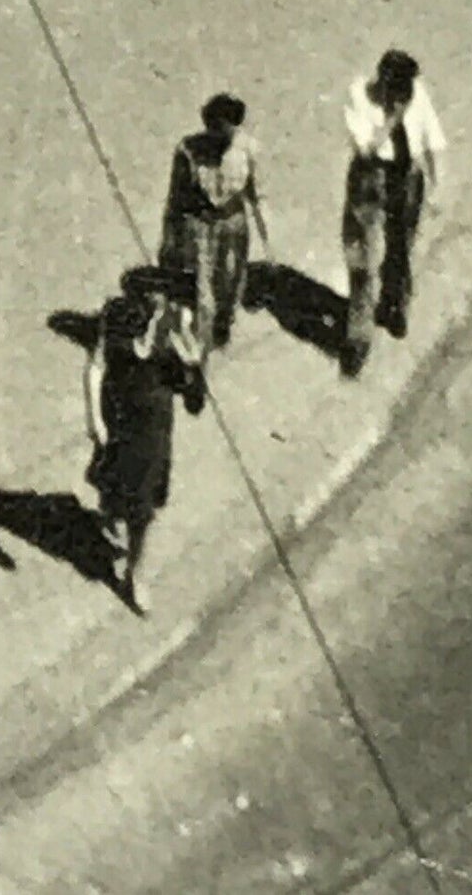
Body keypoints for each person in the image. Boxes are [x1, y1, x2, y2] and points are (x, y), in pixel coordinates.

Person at [84, 266, 203, 614]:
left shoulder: (176, 321)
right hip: (117, 417)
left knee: (144, 510)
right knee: (114, 484)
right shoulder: (117, 316)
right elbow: (96, 367)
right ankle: (111, 512)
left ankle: (135, 574)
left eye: (158, 297)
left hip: (153, 429)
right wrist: (94, 419)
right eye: (146, 297)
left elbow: (193, 395)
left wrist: (192, 362)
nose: (152, 304)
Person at [340, 50, 446, 377]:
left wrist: (437, 184)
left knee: (402, 247)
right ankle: (358, 339)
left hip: (406, 177)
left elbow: (433, 139)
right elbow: (366, 148)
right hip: (371, 177)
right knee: (363, 259)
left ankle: (395, 304)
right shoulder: (359, 96)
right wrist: (391, 120)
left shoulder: (417, 95)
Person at [159, 93, 270, 361]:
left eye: (229, 128)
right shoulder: (188, 151)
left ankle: (225, 319)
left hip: (234, 224)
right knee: (204, 295)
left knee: (230, 282)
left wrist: (267, 238)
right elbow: (176, 199)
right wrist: (169, 241)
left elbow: (257, 195)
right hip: (202, 226)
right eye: (217, 128)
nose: (223, 135)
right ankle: (200, 354)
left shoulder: (247, 150)